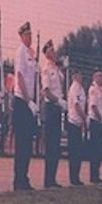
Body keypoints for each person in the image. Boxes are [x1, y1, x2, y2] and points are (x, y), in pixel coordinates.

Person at [12, 21, 39, 190]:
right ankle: (18, 180)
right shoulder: (21, 51)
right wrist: (28, 100)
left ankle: (24, 177)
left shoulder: (31, 54)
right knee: (21, 143)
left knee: (28, 144)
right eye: (27, 34)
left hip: (30, 103)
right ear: (21, 36)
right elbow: (20, 77)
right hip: (22, 101)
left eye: (30, 34)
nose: (29, 37)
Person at [39, 40, 66, 188]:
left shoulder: (57, 69)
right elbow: (46, 92)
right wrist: (59, 101)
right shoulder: (46, 69)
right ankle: (48, 180)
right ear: (47, 53)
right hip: (51, 108)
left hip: (57, 108)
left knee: (56, 145)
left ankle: (53, 179)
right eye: (52, 51)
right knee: (50, 145)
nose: (55, 53)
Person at [66, 70, 87, 186]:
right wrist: (84, 117)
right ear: (74, 76)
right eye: (79, 74)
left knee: (78, 152)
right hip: (73, 122)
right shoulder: (74, 88)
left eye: (81, 74)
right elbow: (76, 105)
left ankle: (76, 177)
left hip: (79, 123)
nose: (81, 76)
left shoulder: (80, 88)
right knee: (74, 152)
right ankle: (73, 178)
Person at [87, 70, 102, 183]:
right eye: (99, 76)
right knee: (95, 149)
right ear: (94, 77)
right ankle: (93, 176)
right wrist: (101, 119)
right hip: (95, 120)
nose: (101, 78)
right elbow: (93, 107)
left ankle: (97, 174)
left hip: (100, 121)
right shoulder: (93, 89)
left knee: (99, 150)